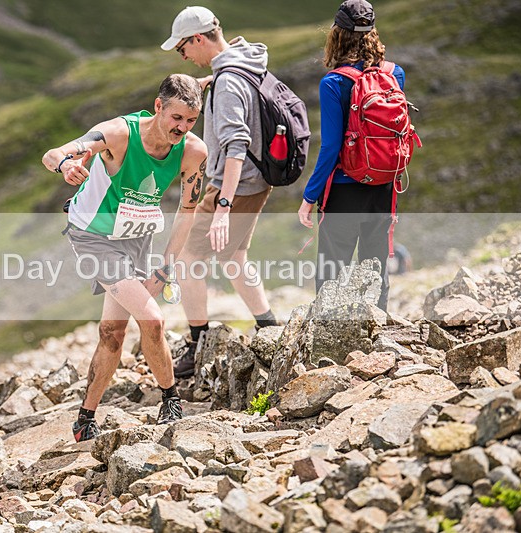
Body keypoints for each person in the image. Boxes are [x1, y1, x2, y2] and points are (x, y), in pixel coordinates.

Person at [42, 74, 208, 442]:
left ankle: (85, 418)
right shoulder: (118, 134)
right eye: (176, 118)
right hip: (94, 237)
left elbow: (189, 208)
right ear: (159, 107)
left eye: (190, 121)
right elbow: (52, 153)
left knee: (112, 332)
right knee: (152, 319)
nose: (181, 128)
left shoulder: (194, 152)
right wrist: (65, 167)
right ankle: (170, 399)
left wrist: (168, 262)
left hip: (137, 237)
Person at [160, 6, 279, 378]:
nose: (183, 57)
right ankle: (270, 328)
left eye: (183, 48)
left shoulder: (228, 81)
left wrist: (223, 204)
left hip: (234, 184)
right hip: (255, 181)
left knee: (187, 261)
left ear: (198, 38)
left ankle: (198, 344)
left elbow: (236, 144)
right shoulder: (246, 60)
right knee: (233, 258)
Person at [297, 0, 405, 310]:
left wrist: (309, 196)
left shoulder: (334, 82)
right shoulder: (394, 73)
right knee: (375, 265)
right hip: (384, 184)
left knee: (332, 270)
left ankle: (326, 339)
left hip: (345, 189)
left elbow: (331, 148)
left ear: (337, 34)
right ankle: (378, 329)